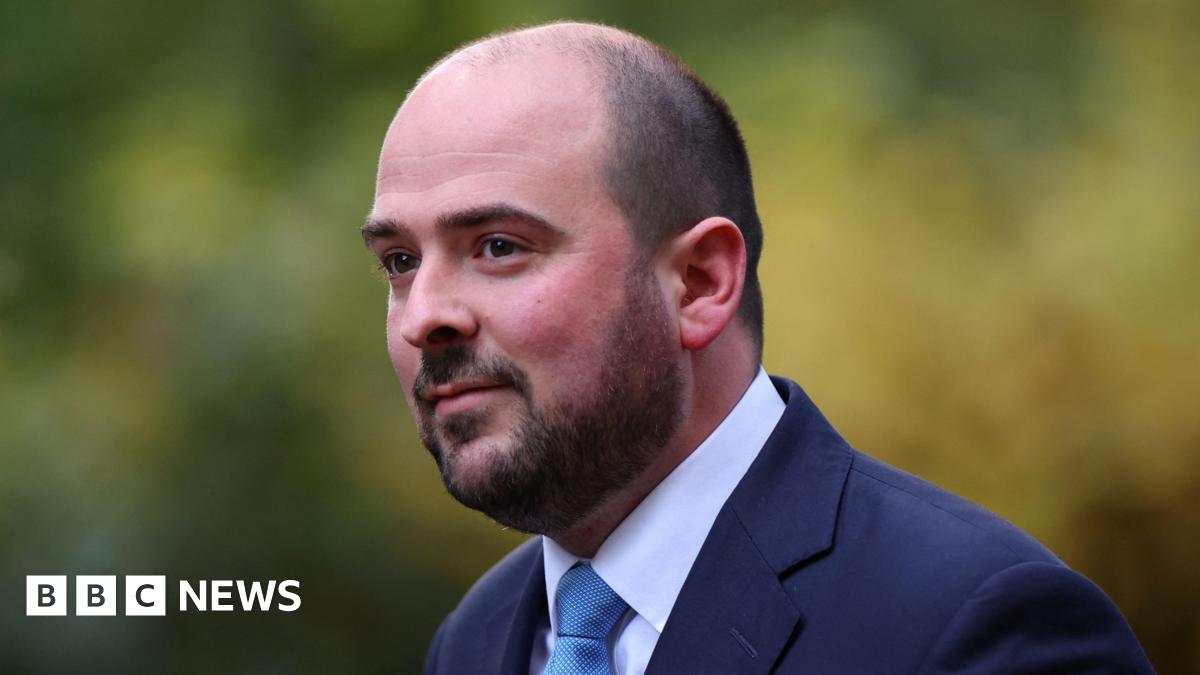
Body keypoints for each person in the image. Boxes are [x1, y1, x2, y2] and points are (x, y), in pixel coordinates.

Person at [362, 20, 1153, 675]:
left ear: (701, 282)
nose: (422, 315)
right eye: (400, 261)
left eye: (498, 245)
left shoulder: (980, 630)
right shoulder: (476, 640)